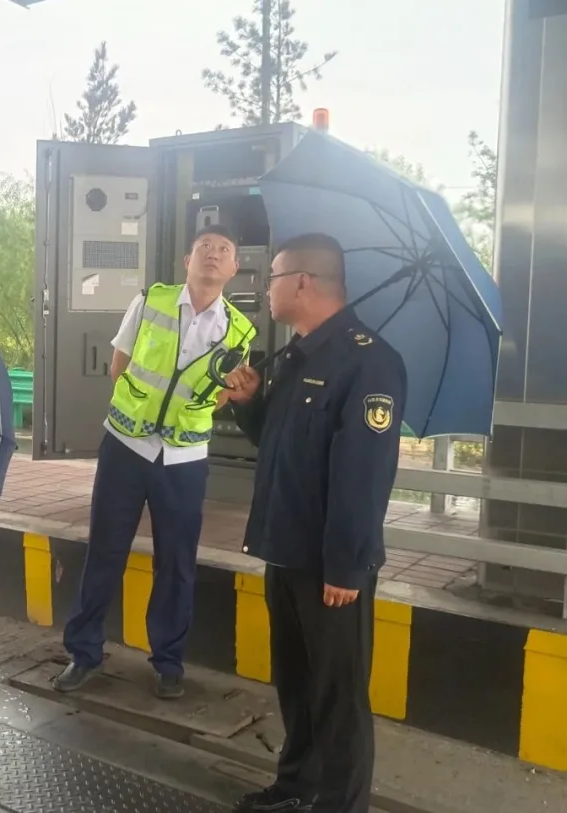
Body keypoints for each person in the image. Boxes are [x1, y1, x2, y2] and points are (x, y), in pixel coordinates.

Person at [224, 233, 407, 813]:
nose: (266, 289)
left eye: (273, 278)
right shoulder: (298, 357)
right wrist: (250, 405)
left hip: (331, 564)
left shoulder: (370, 362)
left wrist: (346, 566)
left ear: (302, 282)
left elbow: (363, 475)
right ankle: (296, 787)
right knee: (297, 684)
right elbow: (282, 447)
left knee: (338, 697)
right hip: (286, 548)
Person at [53, 225, 257, 700]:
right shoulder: (150, 301)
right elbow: (118, 365)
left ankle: (168, 662)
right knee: (105, 551)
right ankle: (83, 653)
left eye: (223, 250)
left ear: (233, 268)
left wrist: (223, 398)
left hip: (184, 458)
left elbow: (222, 397)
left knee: (177, 561)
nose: (212, 254)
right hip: (126, 445)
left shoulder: (239, 332)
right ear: (188, 260)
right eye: (204, 247)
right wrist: (143, 414)